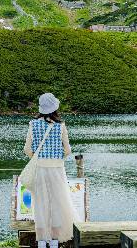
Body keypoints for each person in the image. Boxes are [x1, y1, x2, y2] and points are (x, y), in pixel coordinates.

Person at [23, 92, 77, 248]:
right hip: (57, 170)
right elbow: (68, 150)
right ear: (54, 108)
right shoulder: (61, 125)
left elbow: (27, 149)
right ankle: (54, 242)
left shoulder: (33, 124)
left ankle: (41, 241)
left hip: (39, 169)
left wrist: (38, 158)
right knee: (57, 205)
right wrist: (56, 157)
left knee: (40, 204)